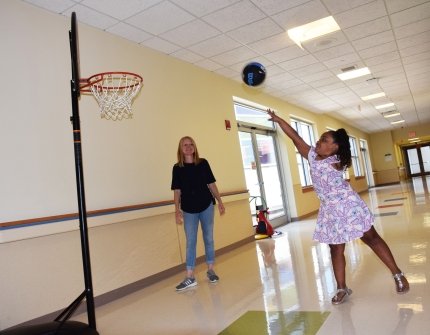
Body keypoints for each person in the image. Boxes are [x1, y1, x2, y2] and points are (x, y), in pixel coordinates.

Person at [267, 109, 409, 304]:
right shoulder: (311, 156)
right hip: (329, 211)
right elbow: (295, 137)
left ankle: (398, 274)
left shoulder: (336, 161)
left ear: (335, 147)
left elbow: (325, 150)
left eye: (325, 140)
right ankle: (342, 288)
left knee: (371, 238)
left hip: (348, 205)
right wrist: (278, 120)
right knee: (335, 249)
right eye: (320, 139)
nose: (319, 141)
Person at [171, 136, 225, 291]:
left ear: (194, 147)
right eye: (185, 145)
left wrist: (220, 201)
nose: (188, 147)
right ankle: (190, 276)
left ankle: (210, 270)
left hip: (206, 205)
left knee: (208, 238)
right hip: (188, 209)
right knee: (191, 241)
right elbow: (177, 190)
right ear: (180, 149)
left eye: (191, 144)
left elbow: (211, 184)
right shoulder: (177, 168)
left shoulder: (203, 163)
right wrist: (176, 210)